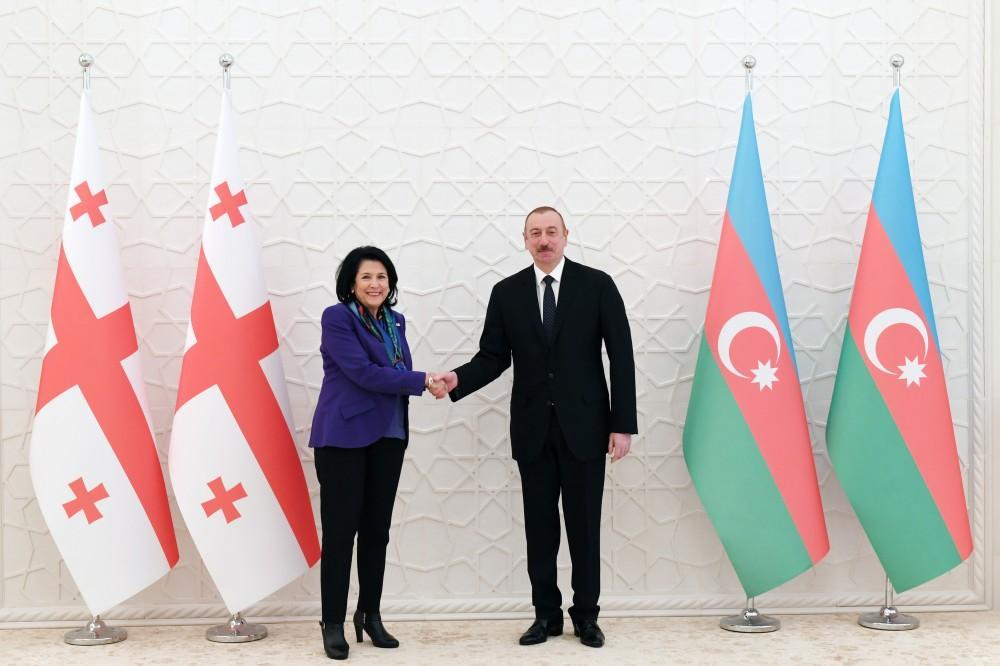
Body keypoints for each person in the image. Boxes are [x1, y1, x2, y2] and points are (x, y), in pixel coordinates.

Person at [433, 206, 637, 648]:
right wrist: (457, 380)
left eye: (551, 232)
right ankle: (545, 615)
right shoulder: (506, 293)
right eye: (534, 234)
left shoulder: (597, 285)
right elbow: (493, 357)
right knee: (539, 529)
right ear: (524, 240)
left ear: (566, 235)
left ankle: (586, 616)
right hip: (532, 429)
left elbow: (621, 355)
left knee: (584, 527)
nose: (543, 240)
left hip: (586, 427)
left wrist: (622, 426)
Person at [310, 246, 444, 660]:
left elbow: (397, 369)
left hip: (388, 436)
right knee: (339, 535)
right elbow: (363, 373)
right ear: (352, 282)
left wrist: (419, 379)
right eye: (367, 277)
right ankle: (332, 622)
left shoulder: (394, 320)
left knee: (376, 532)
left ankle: (370, 614)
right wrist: (425, 381)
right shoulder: (338, 318)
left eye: (382, 277)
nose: (375, 284)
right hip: (344, 438)